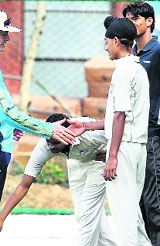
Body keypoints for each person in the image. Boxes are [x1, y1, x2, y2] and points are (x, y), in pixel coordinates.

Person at [0, 10, 83, 246]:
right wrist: (49, 130)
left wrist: (7, 127)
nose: (7, 38)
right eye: (3, 33)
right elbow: (8, 111)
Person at [69, 16, 151, 246]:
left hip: (123, 149)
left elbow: (120, 115)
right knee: (133, 216)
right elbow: (120, 116)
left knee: (124, 218)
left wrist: (112, 156)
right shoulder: (138, 68)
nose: (105, 46)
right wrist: (85, 125)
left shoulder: (123, 71)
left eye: (106, 41)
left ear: (116, 41)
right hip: (137, 148)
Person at [0, 113, 117, 246]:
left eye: (55, 143)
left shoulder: (90, 132)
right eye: (48, 141)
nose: (51, 147)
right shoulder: (45, 146)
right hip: (76, 162)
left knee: (88, 214)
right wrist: (0, 218)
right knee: (82, 215)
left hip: (100, 160)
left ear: (69, 135)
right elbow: (24, 185)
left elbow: (121, 128)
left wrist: (113, 153)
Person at [122, 2, 160, 245]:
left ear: (149, 21)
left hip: (153, 136)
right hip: (131, 137)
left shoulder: (157, 52)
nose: (131, 23)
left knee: (154, 202)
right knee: (139, 203)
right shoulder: (130, 55)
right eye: (127, 19)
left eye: (135, 18)